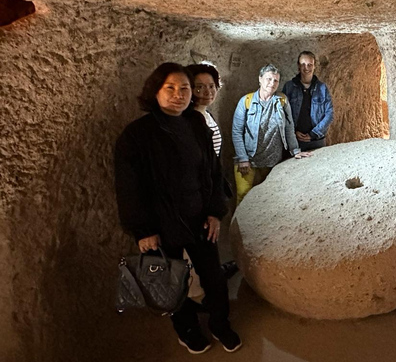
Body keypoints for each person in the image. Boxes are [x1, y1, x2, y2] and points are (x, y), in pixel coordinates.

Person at [114, 62, 241, 355]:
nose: (178, 95)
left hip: (199, 218)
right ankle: (187, 330)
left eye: (184, 88)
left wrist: (214, 212)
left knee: (213, 276)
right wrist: (143, 231)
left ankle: (220, 324)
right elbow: (129, 187)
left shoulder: (196, 124)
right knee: (172, 281)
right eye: (169, 88)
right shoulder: (137, 135)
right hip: (162, 222)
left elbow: (211, 171)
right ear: (155, 91)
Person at [186, 63, 238, 280]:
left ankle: (208, 279)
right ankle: (199, 292)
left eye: (211, 86)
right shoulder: (190, 121)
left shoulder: (203, 115)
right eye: (199, 88)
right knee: (198, 246)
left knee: (206, 244)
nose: (206, 92)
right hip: (197, 195)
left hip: (206, 189)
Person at [232, 63, 312, 204]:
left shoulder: (281, 101)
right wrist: (243, 158)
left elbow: (289, 127)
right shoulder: (246, 101)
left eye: (275, 80)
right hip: (249, 158)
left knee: (266, 198)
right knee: (243, 195)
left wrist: (295, 150)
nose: (272, 83)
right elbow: (237, 131)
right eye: (269, 79)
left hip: (272, 160)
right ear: (260, 79)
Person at [281, 51, 334, 151]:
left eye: (310, 65)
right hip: (294, 141)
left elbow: (330, 114)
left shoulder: (322, 88)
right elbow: (283, 113)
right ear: (298, 66)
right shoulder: (289, 87)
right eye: (303, 64)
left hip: (317, 140)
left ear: (314, 66)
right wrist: (294, 131)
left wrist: (314, 133)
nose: (306, 68)